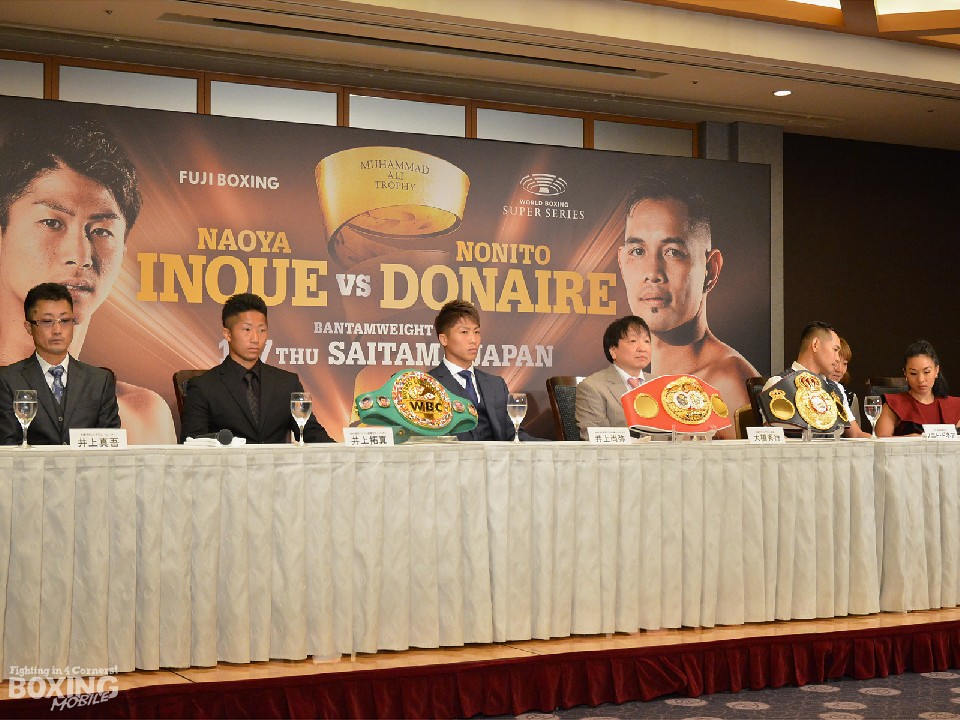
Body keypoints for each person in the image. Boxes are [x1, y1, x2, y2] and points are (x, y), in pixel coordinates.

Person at [0, 114, 176, 444]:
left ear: (123, 251)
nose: (80, 256)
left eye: (101, 231)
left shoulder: (142, 416)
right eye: (52, 223)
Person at [617, 175, 757, 414]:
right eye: (638, 251)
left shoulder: (727, 382)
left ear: (711, 269)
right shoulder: (634, 383)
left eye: (673, 252)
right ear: (621, 263)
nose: (652, 273)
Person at [179, 293, 334, 444]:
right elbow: (192, 443)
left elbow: (310, 432)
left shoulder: (287, 383)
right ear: (227, 334)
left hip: (277, 462)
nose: (255, 339)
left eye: (262, 330)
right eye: (247, 330)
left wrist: (344, 453)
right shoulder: (203, 387)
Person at [0, 282, 120, 445]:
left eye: (64, 321)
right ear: (29, 327)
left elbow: (111, 444)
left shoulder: (100, 381)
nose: (57, 330)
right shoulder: (8, 380)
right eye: (47, 321)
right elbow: (7, 446)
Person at [428, 299, 540, 441]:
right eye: (464, 332)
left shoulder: (496, 385)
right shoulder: (428, 385)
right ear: (444, 339)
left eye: (477, 332)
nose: (473, 340)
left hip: (498, 455)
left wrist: (557, 448)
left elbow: (514, 435)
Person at [763, 321, 869, 438]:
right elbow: (772, 439)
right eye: (835, 350)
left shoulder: (835, 388)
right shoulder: (778, 385)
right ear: (815, 345)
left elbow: (856, 434)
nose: (838, 358)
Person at [575, 315, 651, 439]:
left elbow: (675, 434)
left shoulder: (662, 385)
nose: (642, 348)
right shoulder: (592, 387)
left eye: (646, 341)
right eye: (633, 341)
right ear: (613, 351)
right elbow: (594, 437)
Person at [875, 340, 960, 437]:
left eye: (926, 372)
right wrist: (910, 439)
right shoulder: (893, 404)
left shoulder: (955, 406)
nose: (921, 379)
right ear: (905, 373)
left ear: (936, 370)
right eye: (913, 373)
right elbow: (881, 441)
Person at [828, 336, 861, 425]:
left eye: (845, 364)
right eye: (836, 362)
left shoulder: (848, 397)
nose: (840, 370)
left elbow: (856, 432)